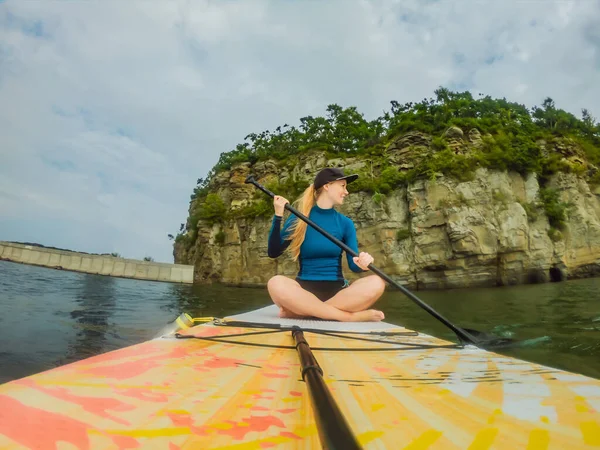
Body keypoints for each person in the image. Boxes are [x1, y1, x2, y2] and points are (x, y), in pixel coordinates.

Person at [266, 167, 386, 322]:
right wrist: (278, 215)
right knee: (275, 283)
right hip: (303, 292)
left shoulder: (345, 223)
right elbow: (274, 251)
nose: (346, 191)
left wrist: (363, 263)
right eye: (342, 186)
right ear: (327, 186)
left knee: (377, 282)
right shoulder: (299, 218)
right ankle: (348, 317)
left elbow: (353, 265)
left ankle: (303, 312)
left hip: (337, 292)